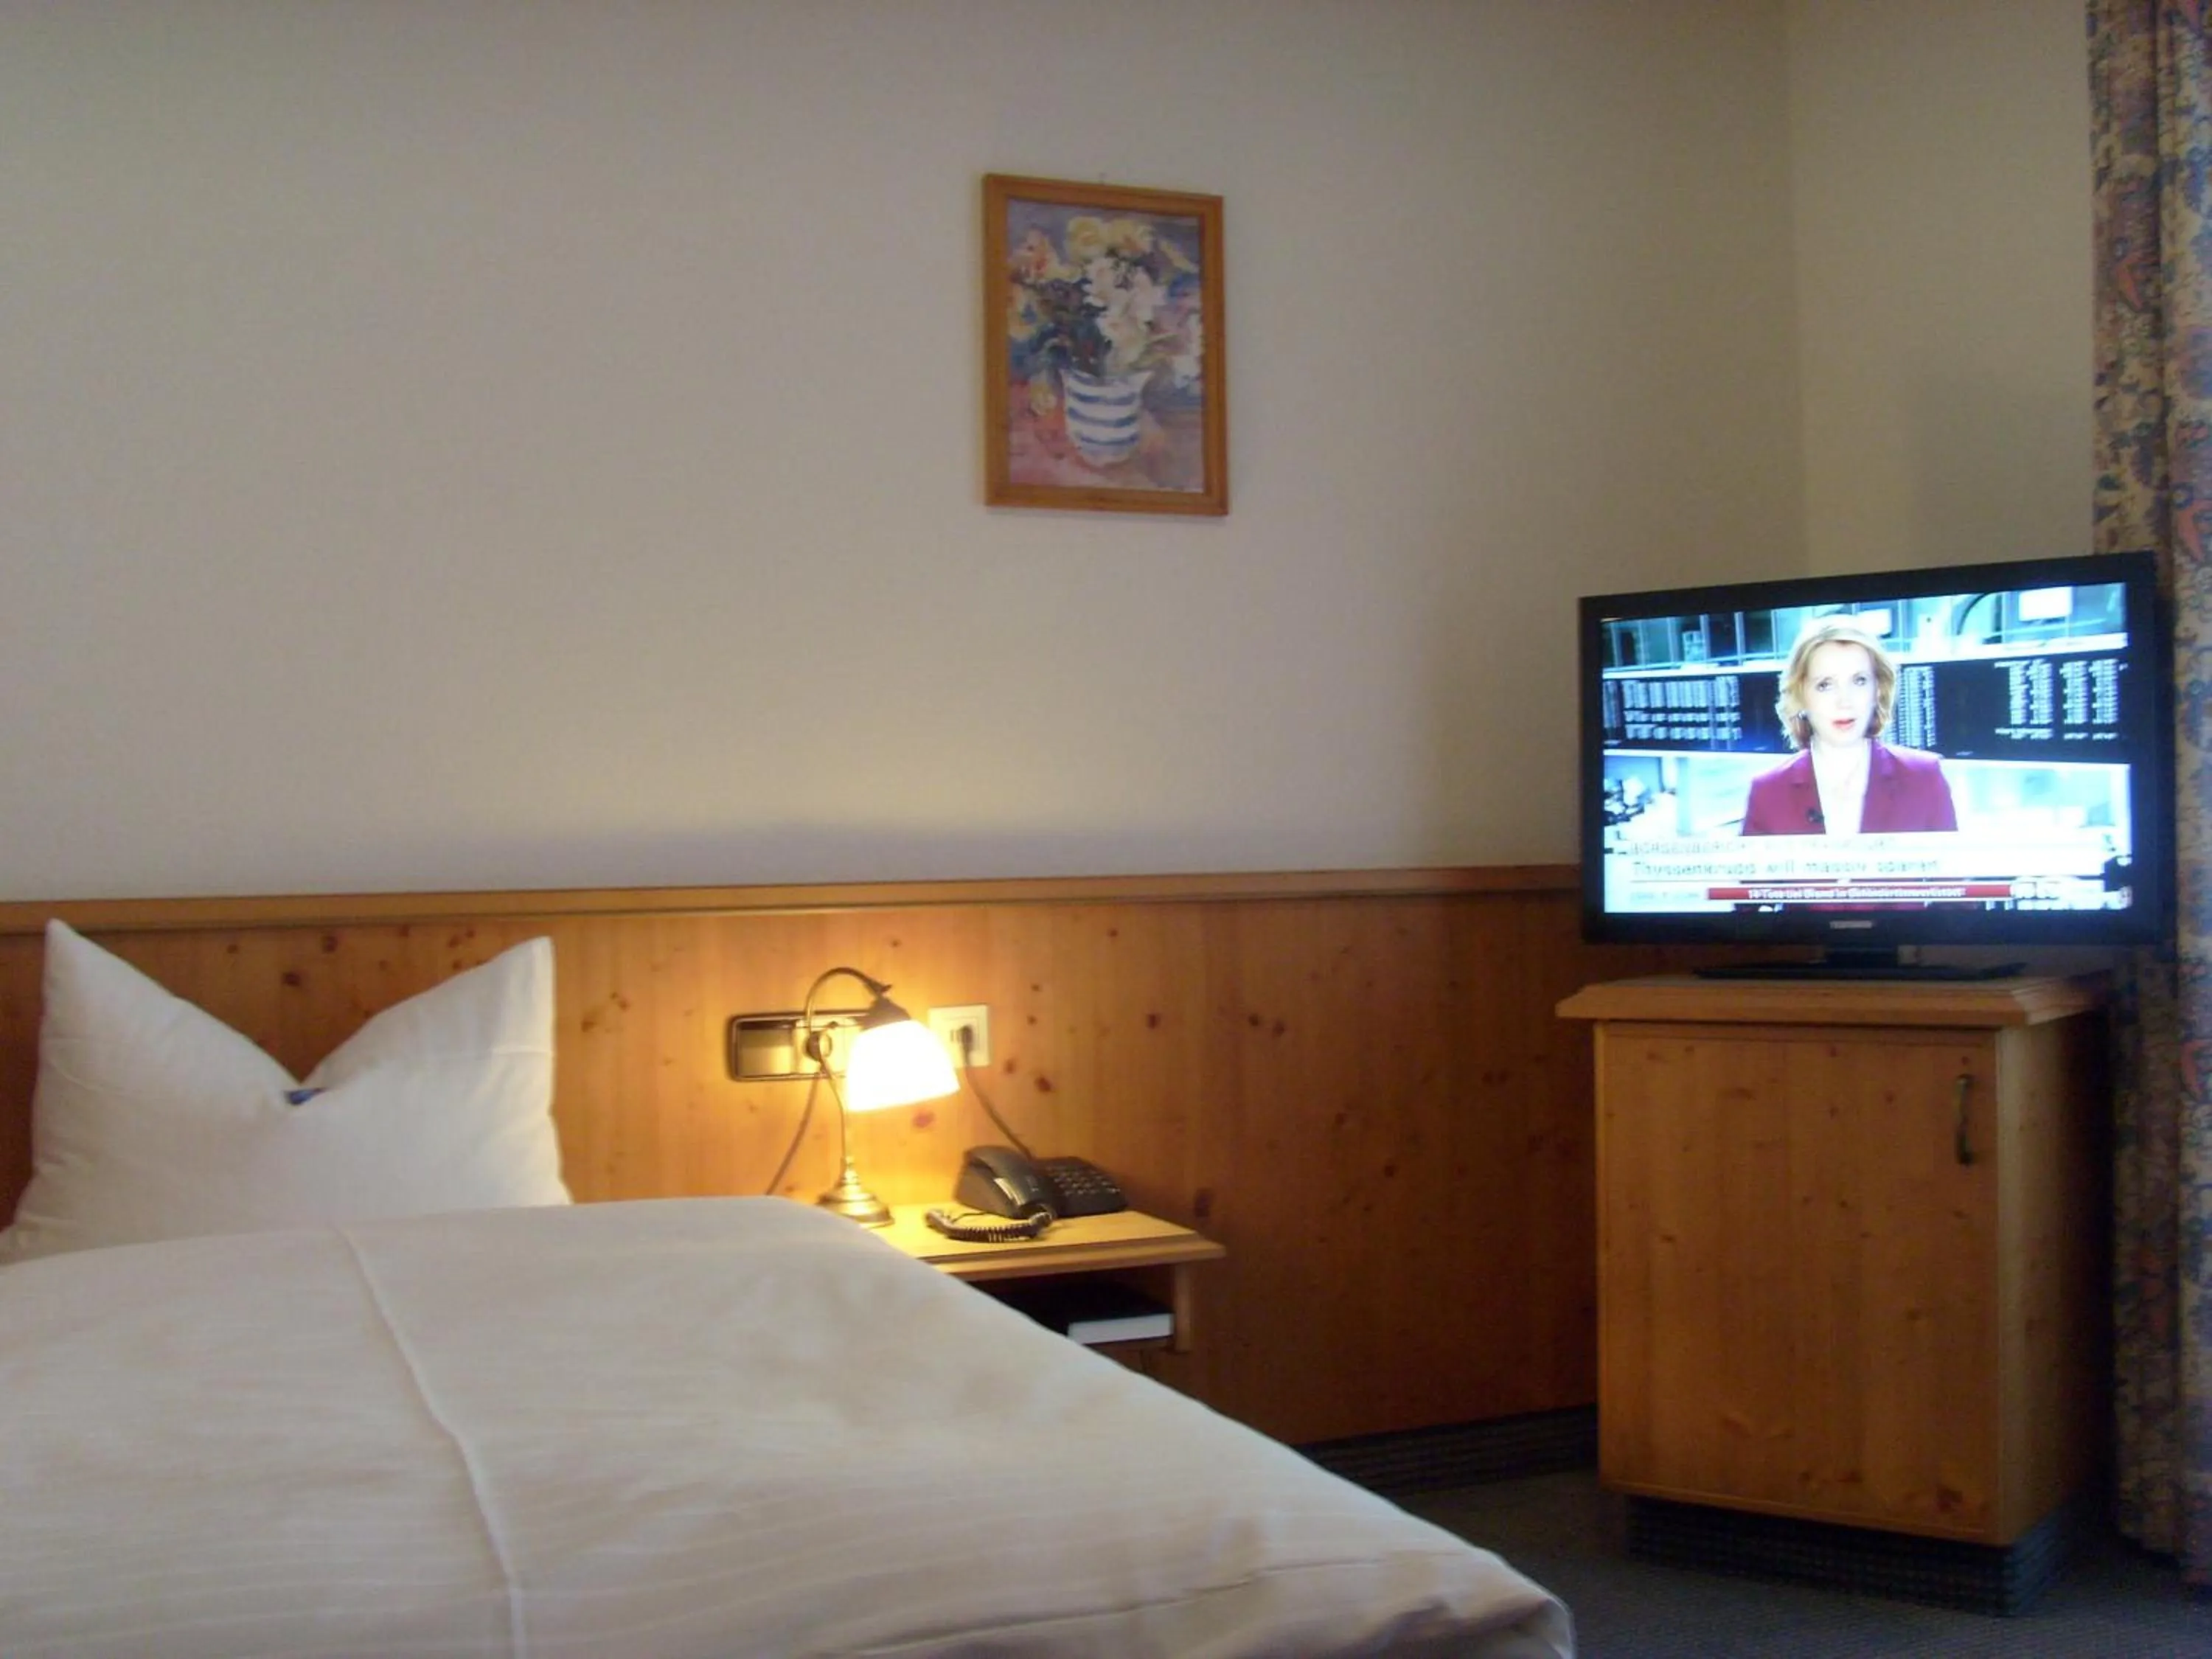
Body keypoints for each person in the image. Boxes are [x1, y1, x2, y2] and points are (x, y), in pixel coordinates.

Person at [1741, 618, 1957, 835]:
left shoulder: (1925, 778)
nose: (1845, 701)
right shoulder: (1767, 792)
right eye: (1825, 685)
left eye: (1859, 681)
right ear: (1800, 696)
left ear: (1878, 691)